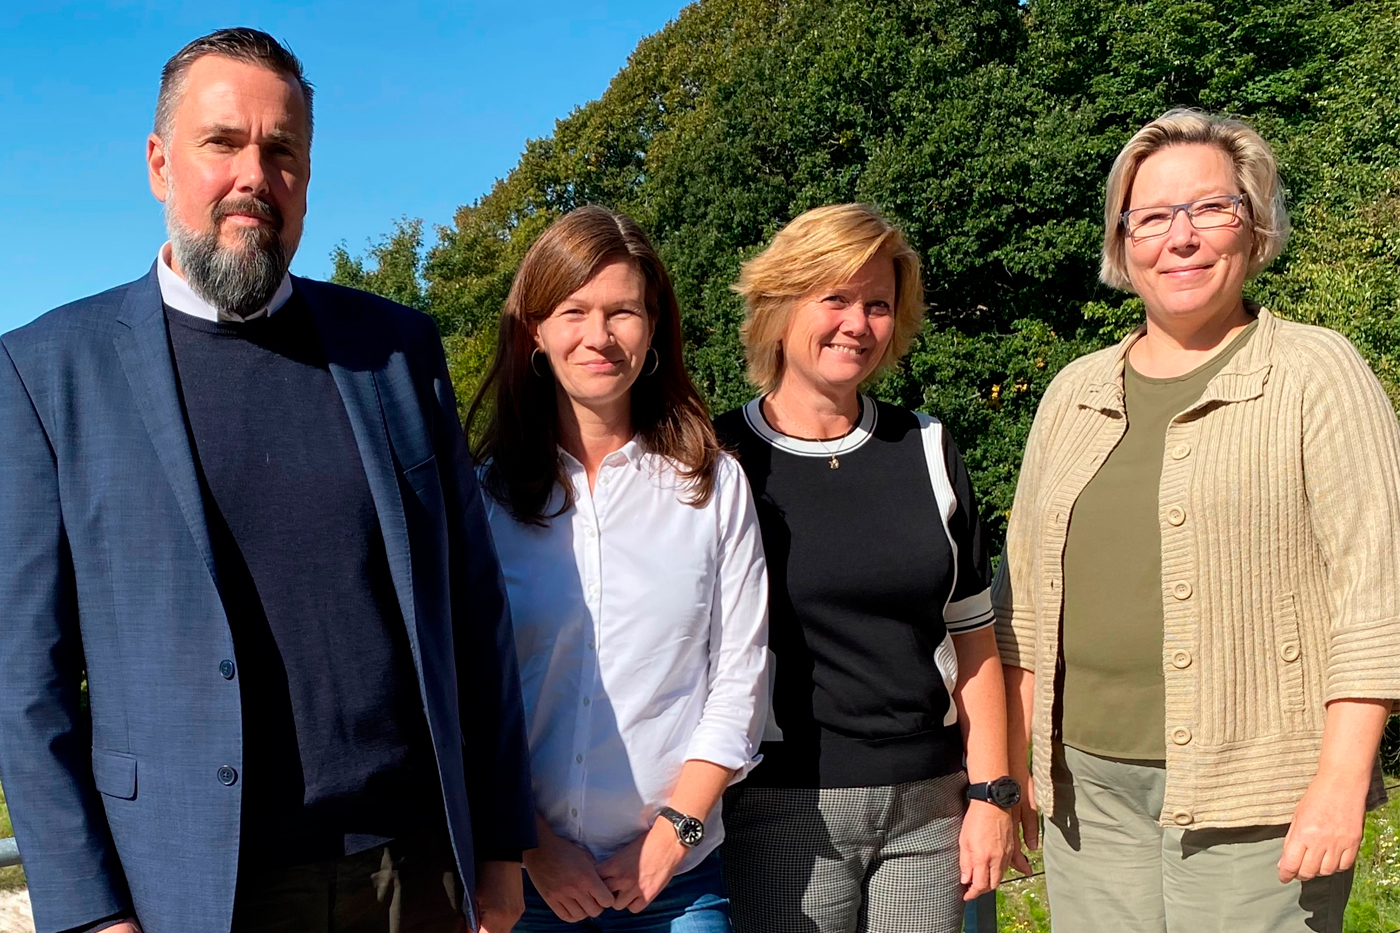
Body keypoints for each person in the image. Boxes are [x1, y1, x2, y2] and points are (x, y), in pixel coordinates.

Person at [0, 28, 534, 933]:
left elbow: (474, 614)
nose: (256, 173)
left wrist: (500, 840)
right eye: (224, 143)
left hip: (415, 876)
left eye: (282, 150)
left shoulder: (395, 350)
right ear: (161, 163)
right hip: (195, 888)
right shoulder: (48, 371)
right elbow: (25, 676)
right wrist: (88, 910)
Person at [994, 108, 1400, 932]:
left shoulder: (1317, 371)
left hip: (1260, 797)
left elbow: (1376, 588)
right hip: (1089, 793)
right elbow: (1024, 600)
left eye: (1211, 209)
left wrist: (1341, 777)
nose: (1180, 238)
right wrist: (1014, 769)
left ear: (1255, 229)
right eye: (1151, 217)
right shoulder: (1073, 390)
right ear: (1122, 243)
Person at [713, 203, 1020, 933]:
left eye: (878, 304)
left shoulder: (929, 448)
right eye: (836, 298)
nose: (858, 323)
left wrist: (993, 794)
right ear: (781, 306)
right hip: (786, 811)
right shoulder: (719, 457)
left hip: (930, 811)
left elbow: (974, 641)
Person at [468, 205, 769, 932]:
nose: (598, 336)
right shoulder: (484, 497)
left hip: (675, 883)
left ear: (654, 328)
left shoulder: (713, 485)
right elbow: (465, 692)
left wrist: (673, 834)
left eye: (622, 312)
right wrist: (532, 847)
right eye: (573, 310)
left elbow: (741, 678)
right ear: (535, 331)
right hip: (526, 889)